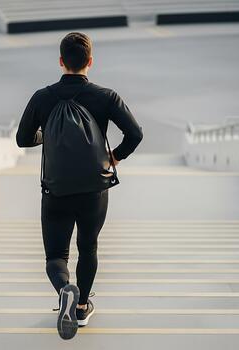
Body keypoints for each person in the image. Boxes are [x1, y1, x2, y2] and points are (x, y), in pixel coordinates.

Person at [16, 32, 143, 339]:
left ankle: (64, 290)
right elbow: (135, 134)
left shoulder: (42, 97)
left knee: (55, 257)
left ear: (61, 61)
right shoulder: (106, 96)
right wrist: (115, 157)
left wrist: (47, 134)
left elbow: (22, 139)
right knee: (88, 247)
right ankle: (82, 306)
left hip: (56, 190)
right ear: (90, 62)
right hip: (93, 191)